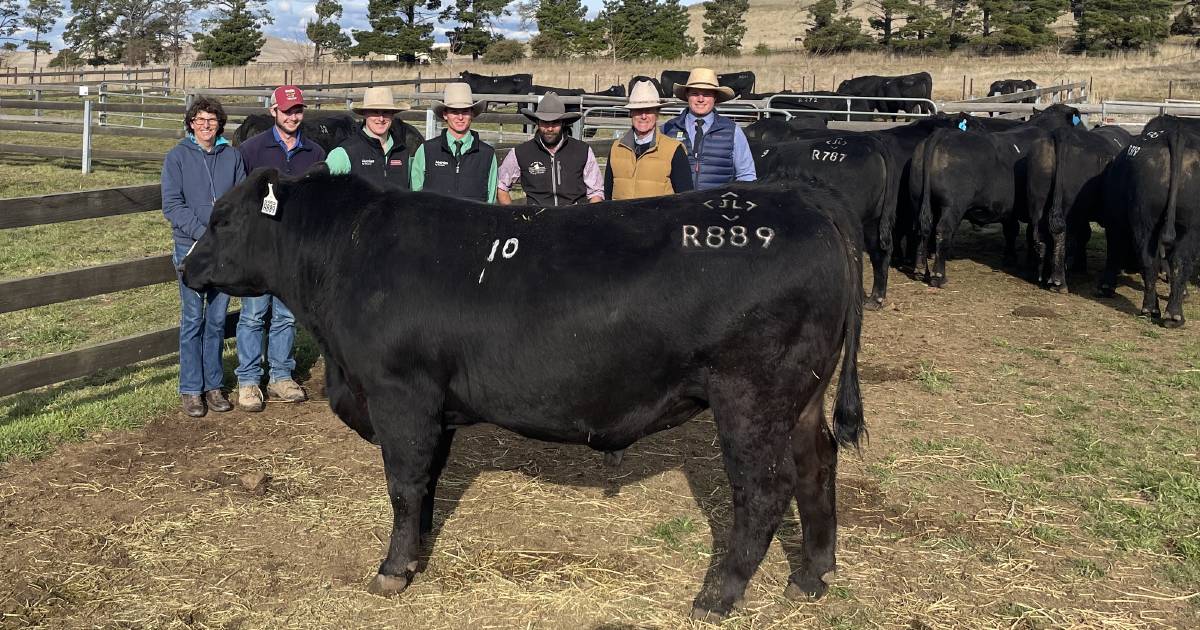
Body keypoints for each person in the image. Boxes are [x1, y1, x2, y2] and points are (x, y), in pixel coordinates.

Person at [233, 85, 326, 411]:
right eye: (286, 110)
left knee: (286, 315)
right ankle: (247, 380)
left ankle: (281, 376)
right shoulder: (251, 150)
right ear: (273, 111)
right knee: (254, 313)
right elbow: (239, 195)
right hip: (260, 246)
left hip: (292, 248)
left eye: (297, 110)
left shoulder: (313, 152)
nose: (292, 116)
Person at [161, 97, 245, 418]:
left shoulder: (232, 157)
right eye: (200, 120)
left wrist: (226, 234)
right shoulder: (177, 157)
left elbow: (240, 199)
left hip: (224, 249)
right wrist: (201, 232)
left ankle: (213, 386)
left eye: (211, 120)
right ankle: (191, 389)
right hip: (192, 247)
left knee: (217, 319)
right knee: (193, 317)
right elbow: (172, 204)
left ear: (219, 124)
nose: (206, 125)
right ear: (191, 124)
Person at [497, 92, 604, 206]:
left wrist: (588, 219)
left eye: (555, 122)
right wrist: (514, 218)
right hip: (537, 219)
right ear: (537, 122)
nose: (550, 128)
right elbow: (502, 186)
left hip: (574, 218)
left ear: (563, 123)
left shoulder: (582, 151)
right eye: (545, 122)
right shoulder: (521, 152)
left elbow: (596, 192)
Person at [661, 67, 757, 190]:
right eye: (695, 93)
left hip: (717, 206)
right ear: (687, 95)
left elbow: (746, 176)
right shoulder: (668, 129)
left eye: (706, 94)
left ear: (715, 97)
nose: (700, 99)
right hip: (678, 206)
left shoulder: (732, 131)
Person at [605, 80, 694, 200]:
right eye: (638, 110)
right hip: (621, 218)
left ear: (657, 114)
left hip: (660, 218)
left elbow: (686, 198)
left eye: (649, 110)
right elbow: (608, 194)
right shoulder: (617, 148)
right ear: (631, 113)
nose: (643, 116)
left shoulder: (673, 150)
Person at [410, 82, 497, 202]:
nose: (460, 117)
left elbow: (490, 198)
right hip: (435, 219)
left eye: (465, 111)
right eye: (455, 111)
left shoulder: (487, 154)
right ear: (445, 114)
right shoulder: (426, 150)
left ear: (472, 114)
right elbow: (415, 194)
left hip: (473, 220)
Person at [326, 86, 413, 189]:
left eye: (386, 112)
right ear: (364, 113)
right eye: (375, 112)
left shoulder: (403, 152)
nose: (381, 118)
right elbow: (326, 194)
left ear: (393, 115)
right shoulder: (343, 153)